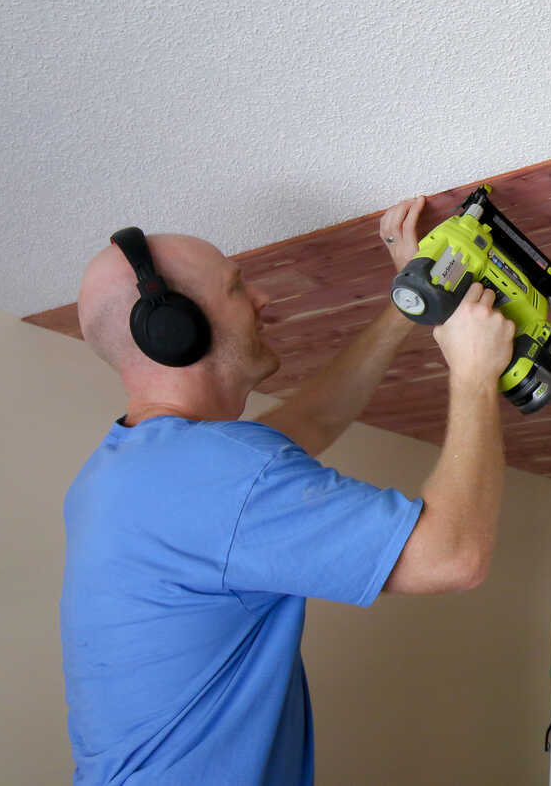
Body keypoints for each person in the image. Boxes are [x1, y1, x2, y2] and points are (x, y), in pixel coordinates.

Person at [60, 196, 515, 784]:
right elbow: (453, 557)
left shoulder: (127, 467)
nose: (262, 299)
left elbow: (315, 420)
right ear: (175, 328)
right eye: (236, 288)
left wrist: (413, 297)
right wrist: (474, 374)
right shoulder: (221, 476)